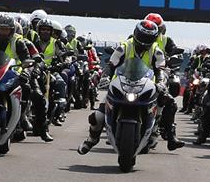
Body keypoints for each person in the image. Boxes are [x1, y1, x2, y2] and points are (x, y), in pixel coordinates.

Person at [78, 19, 167, 154]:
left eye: (148, 38)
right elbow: (111, 64)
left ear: (154, 38)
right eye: (142, 36)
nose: (144, 41)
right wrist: (105, 77)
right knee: (97, 116)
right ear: (136, 34)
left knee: (164, 101)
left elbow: (160, 69)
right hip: (121, 83)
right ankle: (92, 139)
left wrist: (160, 82)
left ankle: (155, 130)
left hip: (146, 86)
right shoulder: (124, 46)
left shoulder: (157, 51)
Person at [144, 13, 185, 150]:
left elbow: (175, 52)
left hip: (160, 74)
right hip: (137, 75)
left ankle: (171, 135)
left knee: (171, 101)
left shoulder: (166, 40)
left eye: (157, 28)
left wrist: (174, 57)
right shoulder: (134, 38)